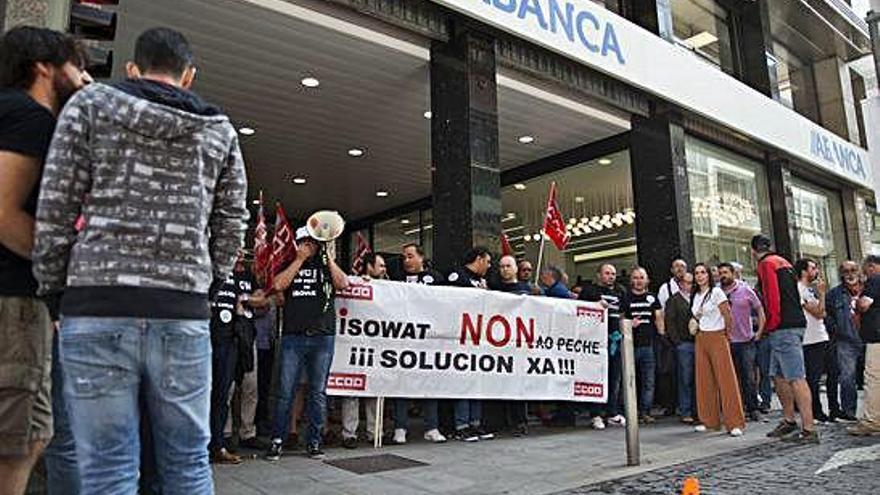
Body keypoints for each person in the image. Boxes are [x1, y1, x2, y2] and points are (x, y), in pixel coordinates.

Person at [32, 27, 248, 493]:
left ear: (133, 69)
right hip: (182, 309)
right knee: (189, 463)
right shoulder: (219, 131)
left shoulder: (90, 107)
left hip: (96, 303)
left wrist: (54, 290)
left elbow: (56, 205)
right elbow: (232, 220)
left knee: (108, 468)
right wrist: (210, 280)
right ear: (188, 75)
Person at [0, 26, 89, 495]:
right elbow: (3, 211)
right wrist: (57, 272)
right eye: (77, 66)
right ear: (44, 68)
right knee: (17, 443)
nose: (85, 78)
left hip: (22, 305)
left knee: (32, 435)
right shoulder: (29, 118)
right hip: (14, 302)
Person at [266, 226, 349, 460]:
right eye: (305, 241)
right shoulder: (289, 263)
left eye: (313, 242)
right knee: (285, 391)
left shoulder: (326, 265)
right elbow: (279, 285)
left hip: (322, 337)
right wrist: (299, 260)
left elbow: (343, 284)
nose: (309, 245)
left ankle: (314, 441)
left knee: (317, 392)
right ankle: (277, 440)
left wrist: (328, 258)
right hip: (294, 336)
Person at [751, 234, 817, 444]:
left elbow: (772, 297)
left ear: (753, 251)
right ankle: (789, 420)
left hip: (783, 327)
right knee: (779, 375)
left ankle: (808, 429)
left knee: (796, 377)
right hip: (792, 324)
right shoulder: (784, 262)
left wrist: (772, 324)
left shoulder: (766, 264)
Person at [208, 253, 266, 463]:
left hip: (233, 340)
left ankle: (217, 446)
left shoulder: (244, 277)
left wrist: (245, 301)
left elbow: (262, 299)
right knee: (207, 393)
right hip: (207, 337)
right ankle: (203, 443)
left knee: (223, 394)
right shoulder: (210, 269)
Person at [389, 243, 447, 445]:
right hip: (404, 340)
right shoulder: (396, 279)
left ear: (421, 257)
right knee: (402, 385)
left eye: (410, 256)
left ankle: (432, 427)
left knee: (430, 384)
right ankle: (400, 427)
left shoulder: (436, 278)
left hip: (428, 341)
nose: (407, 261)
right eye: (404, 257)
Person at [691, 263, 745, 437]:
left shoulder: (717, 292)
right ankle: (709, 420)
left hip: (717, 337)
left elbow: (727, 315)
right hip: (701, 338)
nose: (699, 276)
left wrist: (726, 335)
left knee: (726, 380)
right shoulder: (696, 295)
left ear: (708, 275)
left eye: (703, 272)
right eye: (697, 273)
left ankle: (735, 422)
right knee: (704, 381)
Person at [447, 247, 494, 442]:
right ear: (479, 259)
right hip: (460, 339)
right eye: (488, 261)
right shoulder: (457, 275)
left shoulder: (483, 281)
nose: (490, 266)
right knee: (463, 383)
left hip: (479, 339)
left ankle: (475, 423)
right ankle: (461, 425)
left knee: (477, 383)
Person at [341, 253, 386, 449]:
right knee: (351, 391)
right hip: (355, 345)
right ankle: (349, 434)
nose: (384, 269)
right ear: (369, 267)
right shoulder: (354, 282)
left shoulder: (390, 288)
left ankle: (375, 432)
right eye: (381, 265)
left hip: (378, 348)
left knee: (375, 391)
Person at [579, 263, 626, 430]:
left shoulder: (620, 291)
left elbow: (624, 313)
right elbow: (579, 312)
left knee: (615, 378)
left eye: (613, 273)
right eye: (607, 273)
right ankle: (596, 414)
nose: (611, 276)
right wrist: (595, 306)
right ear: (599, 275)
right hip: (596, 342)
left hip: (615, 340)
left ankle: (612, 412)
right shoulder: (589, 291)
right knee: (596, 378)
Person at [718, 262, 766, 422]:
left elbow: (759, 309)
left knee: (748, 376)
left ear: (733, 273)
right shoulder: (717, 292)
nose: (723, 275)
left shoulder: (745, 289)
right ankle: (735, 409)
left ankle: (752, 408)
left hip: (746, 341)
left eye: (726, 272)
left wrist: (759, 331)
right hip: (726, 341)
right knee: (731, 378)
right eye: (720, 273)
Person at [493, 255, 532, 435]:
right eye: (501, 266)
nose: (505, 269)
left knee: (518, 384)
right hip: (499, 342)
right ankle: (504, 421)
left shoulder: (528, 290)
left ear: (515, 268)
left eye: (508, 266)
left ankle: (520, 421)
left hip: (520, 343)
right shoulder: (495, 289)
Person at [621, 267, 664, 424]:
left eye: (641, 277)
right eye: (635, 277)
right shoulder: (625, 298)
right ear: (631, 280)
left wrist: (662, 335)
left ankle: (645, 411)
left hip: (649, 346)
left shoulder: (653, 297)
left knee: (648, 381)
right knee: (629, 381)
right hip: (629, 346)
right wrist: (628, 324)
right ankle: (629, 412)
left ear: (647, 280)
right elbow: (620, 319)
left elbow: (659, 317)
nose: (638, 281)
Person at [794, 258, 833, 424]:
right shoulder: (799, 289)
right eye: (812, 268)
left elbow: (822, 313)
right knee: (812, 377)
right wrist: (822, 294)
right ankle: (814, 411)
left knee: (819, 375)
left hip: (819, 336)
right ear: (804, 271)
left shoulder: (810, 290)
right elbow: (818, 312)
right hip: (810, 339)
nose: (816, 271)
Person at [824, 260, 863, 422]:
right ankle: (849, 412)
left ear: (859, 271)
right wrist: (836, 329)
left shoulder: (869, 289)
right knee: (847, 377)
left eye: (853, 270)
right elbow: (826, 315)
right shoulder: (833, 294)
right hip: (845, 340)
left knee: (874, 376)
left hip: (870, 338)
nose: (850, 274)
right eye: (845, 271)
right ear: (841, 274)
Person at [849, 255, 880, 436]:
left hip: (876, 336)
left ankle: (873, 420)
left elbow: (864, 305)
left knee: (874, 378)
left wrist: (857, 301)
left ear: (871, 266)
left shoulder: (875, 279)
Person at [663, 272, 696, 423]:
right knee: (685, 378)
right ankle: (685, 410)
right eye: (687, 282)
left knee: (697, 378)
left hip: (699, 343)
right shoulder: (674, 300)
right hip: (684, 344)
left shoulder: (697, 298)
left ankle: (697, 410)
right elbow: (669, 323)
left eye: (691, 283)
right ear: (681, 284)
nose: (689, 285)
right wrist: (677, 342)